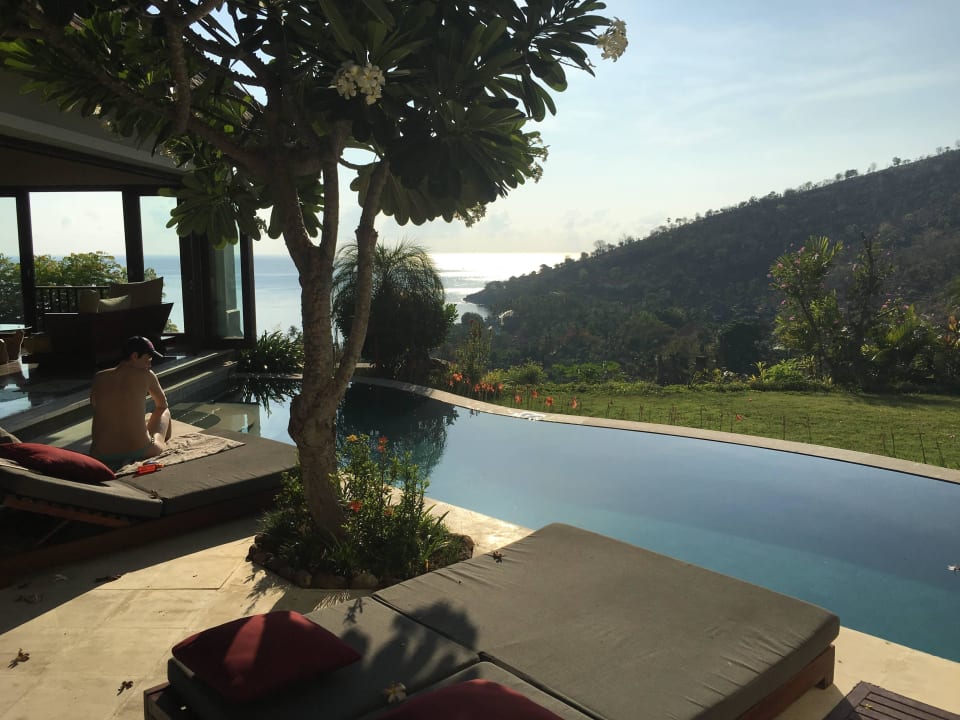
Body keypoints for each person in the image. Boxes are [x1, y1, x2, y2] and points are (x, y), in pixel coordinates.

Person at [90, 336, 172, 470]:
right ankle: (163, 440)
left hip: (100, 455)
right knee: (164, 411)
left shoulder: (99, 377)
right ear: (134, 356)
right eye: (148, 360)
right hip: (141, 452)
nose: (150, 365)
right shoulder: (147, 375)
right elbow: (162, 404)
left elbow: (95, 405)